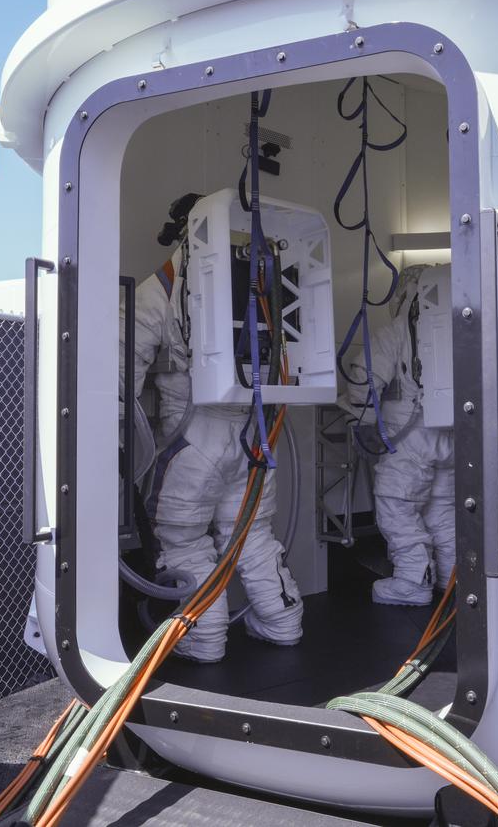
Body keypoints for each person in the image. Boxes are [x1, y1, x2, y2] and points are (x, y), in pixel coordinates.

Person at [121, 195, 303, 662]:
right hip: (255, 437)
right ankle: (283, 623)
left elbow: (121, 360)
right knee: (253, 534)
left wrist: (119, 438)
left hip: (192, 442)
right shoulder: (266, 275)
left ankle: (204, 639)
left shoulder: (170, 282)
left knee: (182, 541)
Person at [343, 264, 455, 605]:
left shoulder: (396, 332)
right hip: (450, 435)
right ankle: (451, 577)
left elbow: (364, 376)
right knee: (441, 509)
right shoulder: (454, 328)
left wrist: (363, 420)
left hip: (408, 438)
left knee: (396, 505)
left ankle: (412, 581)